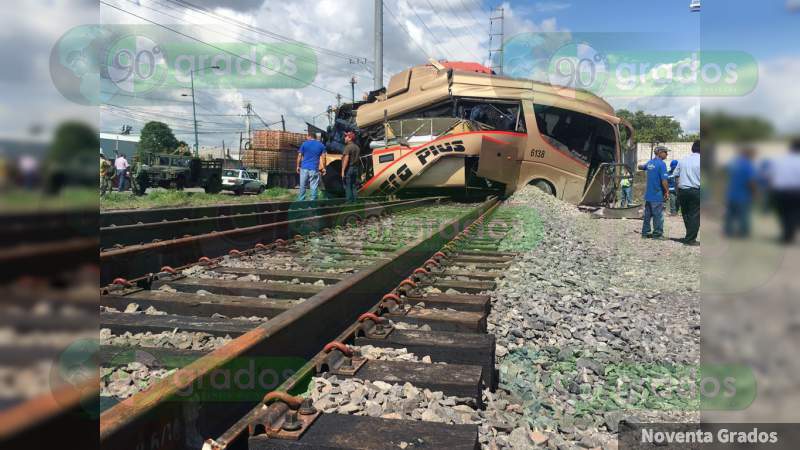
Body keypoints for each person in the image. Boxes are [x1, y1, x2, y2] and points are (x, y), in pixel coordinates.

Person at [767, 139, 800, 243]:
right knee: (795, 213)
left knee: (783, 214)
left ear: (790, 148)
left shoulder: (779, 160)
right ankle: (790, 234)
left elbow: (769, 176)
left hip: (780, 192)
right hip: (797, 192)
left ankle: (786, 235)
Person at [724, 146, 757, 238]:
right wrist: (754, 193)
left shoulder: (734, 164)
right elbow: (751, 182)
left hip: (731, 194)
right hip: (743, 195)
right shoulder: (748, 165)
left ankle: (728, 231)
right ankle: (743, 233)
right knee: (743, 215)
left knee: (730, 215)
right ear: (749, 154)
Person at [674, 140, 702, 246]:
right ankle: (690, 239)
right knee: (695, 215)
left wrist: (677, 191)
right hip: (696, 190)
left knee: (685, 214)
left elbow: (676, 175)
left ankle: (688, 235)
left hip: (683, 190)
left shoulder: (683, 160)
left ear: (692, 149)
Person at [639, 146, 670, 239]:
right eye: (665, 152)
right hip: (657, 194)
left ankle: (645, 233)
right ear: (660, 152)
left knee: (647, 215)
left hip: (648, 195)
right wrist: (667, 191)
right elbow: (664, 181)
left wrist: (641, 166)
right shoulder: (662, 164)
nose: (667, 154)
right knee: (658, 216)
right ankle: (657, 234)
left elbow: (641, 167)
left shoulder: (650, 163)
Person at [296, 132, 326, 201]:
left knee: (302, 185)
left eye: (307, 136)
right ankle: (313, 202)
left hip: (304, 168)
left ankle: (301, 201)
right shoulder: (321, 145)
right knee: (314, 186)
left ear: (309, 136)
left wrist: (297, 166)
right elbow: (324, 157)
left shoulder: (304, 144)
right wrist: (324, 168)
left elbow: (300, 155)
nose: (306, 138)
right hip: (314, 168)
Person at [341, 131, 361, 203]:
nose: (344, 138)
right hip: (356, 169)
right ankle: (355, 201)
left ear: (350, 138)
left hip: (349, 168)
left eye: (346, 136)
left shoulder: (348, 147)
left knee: (348, 185)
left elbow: (346, 159)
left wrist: (343, 171)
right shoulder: (357, 147)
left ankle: (349, 201)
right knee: (354, 186)